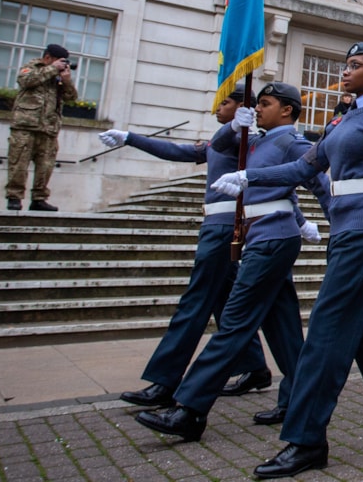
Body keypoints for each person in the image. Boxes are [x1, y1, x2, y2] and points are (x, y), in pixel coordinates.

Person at [214, 44, 363, 479]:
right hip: (344, 227)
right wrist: (250, 175)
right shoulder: (344, 119)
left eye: (355, 66)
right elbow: (304, 170)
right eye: (346, 64)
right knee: (361, 326)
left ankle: (306, 439)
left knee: (326, 329)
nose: (345, 71)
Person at [134, 82, 329, 444]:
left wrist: (329, 226)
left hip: (273, 238)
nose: (257, 109)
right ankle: (297, 401)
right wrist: (232, 125)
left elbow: (317, 181)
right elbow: (217, 147)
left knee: (235, 322)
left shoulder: (292, 142)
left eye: (265, 104)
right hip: (260, 235)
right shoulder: (256, 140)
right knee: (283, 327)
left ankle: (190, 409)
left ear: (287, 110)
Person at [103, 85, 297, 409]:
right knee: (224, 301)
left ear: (242, 109)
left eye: (226, 103)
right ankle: (254, 367)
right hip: (221, 225)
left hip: (225, 227)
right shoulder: (226, 137)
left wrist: (239, 127)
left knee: (195, 303)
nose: (217, 108)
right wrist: (129, 137)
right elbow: (178, 151)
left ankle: (165, 381)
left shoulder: (244, 139)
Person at [5, 43, 77, 211]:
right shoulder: (32, 67)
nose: (62, 65)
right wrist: (52, 69)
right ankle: (14, 197)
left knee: (45, 166)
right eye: (59, 61)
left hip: (49, 129)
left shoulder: (58, 77)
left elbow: (71, 98)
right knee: (18, 164)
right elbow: (26, 80)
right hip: (26, 125)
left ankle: (39, 198)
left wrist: (66, 82)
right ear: (48, 58)